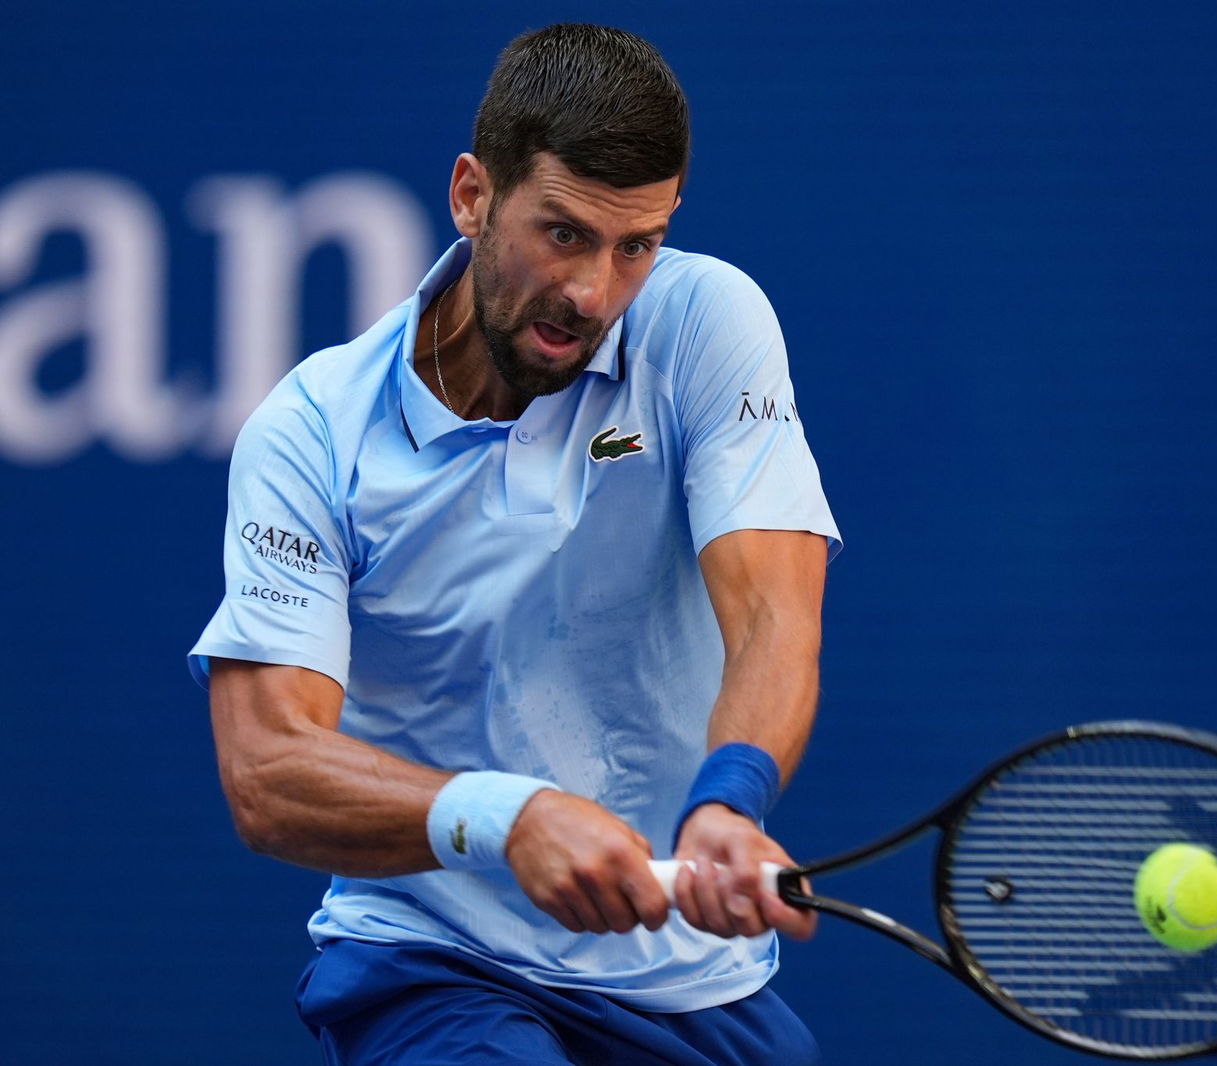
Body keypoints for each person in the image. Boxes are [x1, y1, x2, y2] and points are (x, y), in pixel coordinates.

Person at [188, 23, 839, 1066]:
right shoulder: (312, 432)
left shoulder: (705, 323)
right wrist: (505, 816)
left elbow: (772, 608)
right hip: (437, 965)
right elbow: (266, 768)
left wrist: (730, 794)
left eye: (638, 246)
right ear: (470, 196)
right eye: (565, 233)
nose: (595, 293)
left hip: (691, 988)